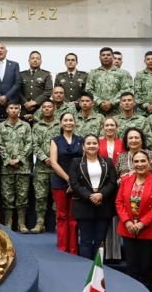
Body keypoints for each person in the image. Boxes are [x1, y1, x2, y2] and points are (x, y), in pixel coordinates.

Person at [116, 150, 152, 290]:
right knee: (131, 267)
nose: (140, 164)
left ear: (150, 163)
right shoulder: (126, 180)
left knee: (146, 267)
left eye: (143, 161)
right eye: (136, 161)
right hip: (128, 229)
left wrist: (142, 223)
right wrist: (127, 222)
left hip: (147, 229)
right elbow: (119, 202)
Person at [69, 134, 118, 260]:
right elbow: (74, 183)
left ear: (98, 145)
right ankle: (85, 268)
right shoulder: (76, 162)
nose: (92, 146)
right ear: (83, 146)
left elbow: (112, 182)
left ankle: (99, 272)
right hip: (83, 204)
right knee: (85, 240)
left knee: (100, 240)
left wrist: (101, 194)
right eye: (88, 143)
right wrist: (90, 196)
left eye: (94, 143)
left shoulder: (107, 162)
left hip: (103, 204)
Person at [49, 112, 84, 253]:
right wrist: (69, 179)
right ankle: (63, 248)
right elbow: (53, 163)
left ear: (75, 123)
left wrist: (75, 182)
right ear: (61, 123)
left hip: (78, 183)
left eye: (71, 120)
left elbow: (84, 161)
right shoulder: (55, 140)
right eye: (66, 120)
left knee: (74, 216)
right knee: (62, 215)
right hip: (59, 182)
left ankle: (74, 248)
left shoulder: (81, 140)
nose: (68, 122)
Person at [0, 102, 32, 232]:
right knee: (7, 196)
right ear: (7, 110)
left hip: (23, 167)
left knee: (22, 195)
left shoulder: (26, 125)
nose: (14, 110)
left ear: (19, 110)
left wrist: (20, 159)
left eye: (16, 108)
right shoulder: (1, 126)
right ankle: (8, 223)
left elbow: (29, 143)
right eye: (11, 108)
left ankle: (21, 223)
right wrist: (7, 160)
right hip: (7, 168)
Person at [31, 100, 60, 233]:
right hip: (41, 168)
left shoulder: (60, 126)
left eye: (49, 107)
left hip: (57, 168)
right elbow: (34, 144)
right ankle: (40, 222)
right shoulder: (36, 126)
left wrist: (54, 160)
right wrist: (44, 158)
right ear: (41, 110)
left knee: (57, 197)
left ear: (54, 109)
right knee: (40, 196)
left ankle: (57, 223)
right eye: (44, 107)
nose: (47, 109)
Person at [86, 46, 131, 117]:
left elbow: (126, 90)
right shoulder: (93, 73)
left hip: (117, 111)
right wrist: (100, 102)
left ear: (113, 57)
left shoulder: (122, 73)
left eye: (108, 55)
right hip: (97, 112)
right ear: (99, 58)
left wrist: (112, 102)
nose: (105, 57)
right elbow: (88, 90)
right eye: (103, 55)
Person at [19, 51, 53, 122]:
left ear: (41, 61)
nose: (35, 60)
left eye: (37, 58)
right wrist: (26, 103)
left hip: (40, 109)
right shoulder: (21, 74)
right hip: (24, 109)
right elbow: (18, 91)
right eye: (33, 58)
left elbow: (48, 91)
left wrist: (35, 102)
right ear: (29, 61)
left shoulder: (46, 74)